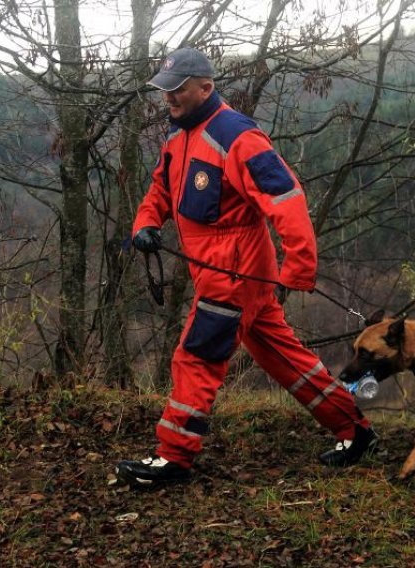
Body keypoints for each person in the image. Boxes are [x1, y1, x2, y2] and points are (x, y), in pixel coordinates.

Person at [116, 47, 377, 487]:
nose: (169, 99)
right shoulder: (177, 138)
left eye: (178, 90)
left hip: (235, 274)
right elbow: (159, 190)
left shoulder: (238, 136)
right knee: (282, 358)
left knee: (195, 358)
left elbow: (286, 200)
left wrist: (299, 267)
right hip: (226, 273)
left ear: (206, 88)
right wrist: (145, 224)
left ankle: (173, 458)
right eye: (165, 91)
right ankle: (355, 432)